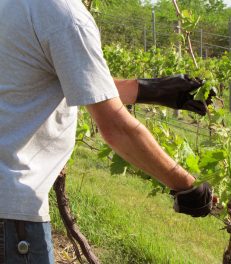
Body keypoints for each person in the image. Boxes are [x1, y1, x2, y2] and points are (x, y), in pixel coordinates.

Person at [0, 0, 213, 263]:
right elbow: (115, 128)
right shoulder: (65, 14)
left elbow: (69, 77)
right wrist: (186, 185)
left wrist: (150, 90)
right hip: (12, 213)